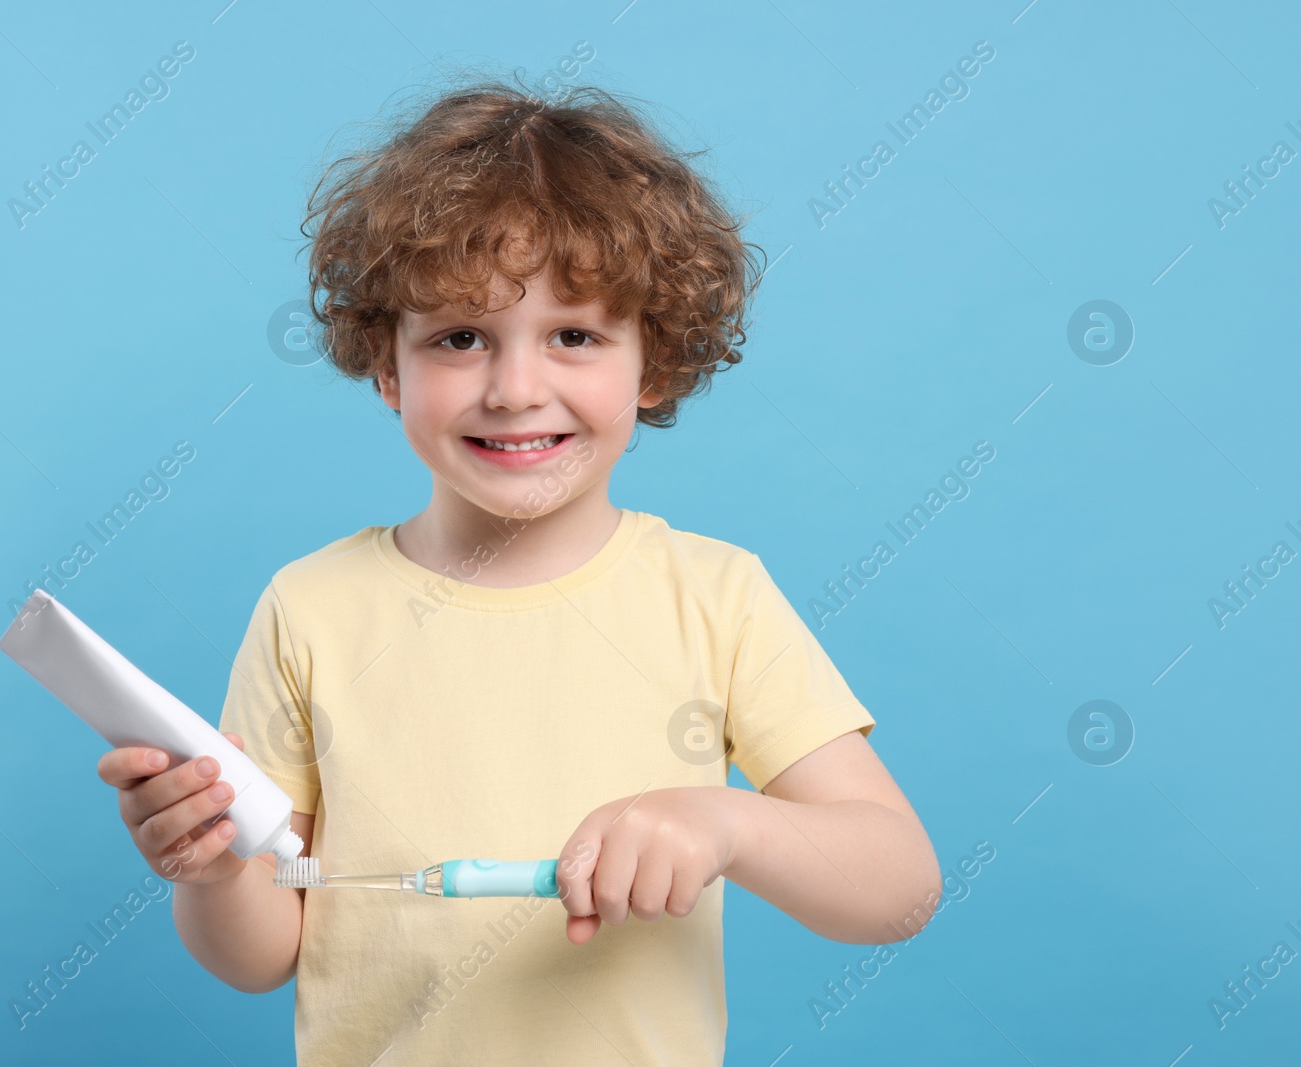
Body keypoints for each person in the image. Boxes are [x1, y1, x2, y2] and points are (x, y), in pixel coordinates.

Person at [97, 76, 939, 1065]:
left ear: (653, 360)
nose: (515, 388)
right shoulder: (312, 610)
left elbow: (898, 884)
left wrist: (725, 823)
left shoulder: (715, 598)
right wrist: (206, 869)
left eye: (574, 335)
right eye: (459, 337)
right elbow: (262, 952)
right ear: (385, 363)